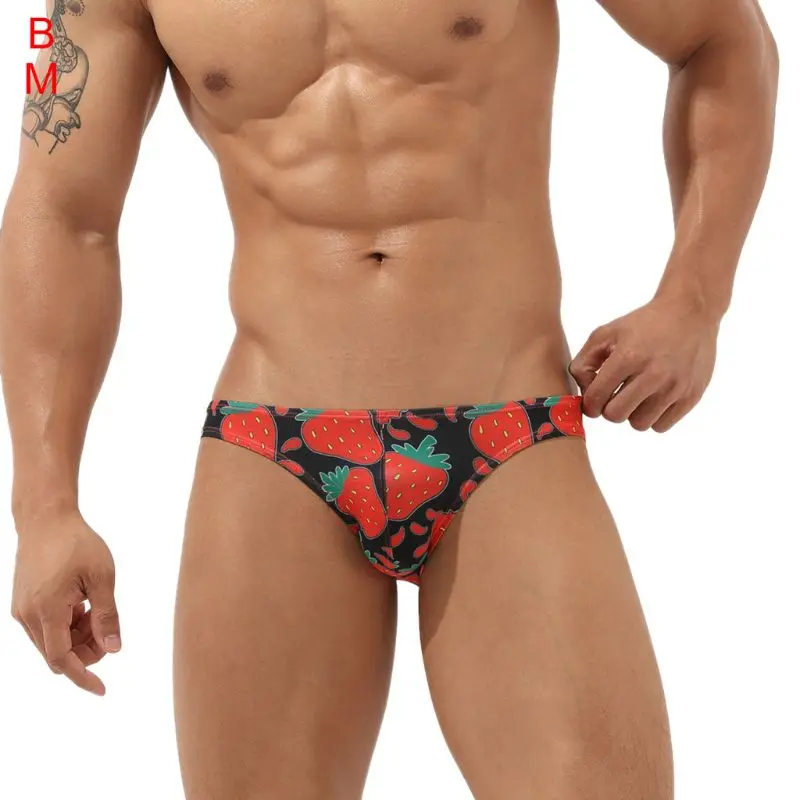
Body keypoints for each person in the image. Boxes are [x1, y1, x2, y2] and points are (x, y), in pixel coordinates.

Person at [0, 1, 778, 797]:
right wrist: (43, 507)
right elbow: (60, 212)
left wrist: (695, 300)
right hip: (273, 442)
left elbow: (724, 36)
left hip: (509, 427)